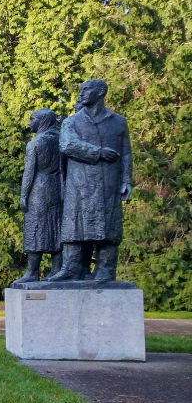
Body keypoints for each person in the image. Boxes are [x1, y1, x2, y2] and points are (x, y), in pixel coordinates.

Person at [46, 79, 131, 282]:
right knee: (74, 225)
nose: (82, 93)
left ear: (100, 92)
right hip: (79, 184)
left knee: (108, 226)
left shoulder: (118, 122)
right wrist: (98, 152)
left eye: (87, 89)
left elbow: (126, 153)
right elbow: (67, 145)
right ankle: (71, 267)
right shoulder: (71, 122)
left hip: (108, 183)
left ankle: (105, 269)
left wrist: (126, 180)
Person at [13, 109, 63, 284]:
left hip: (38, 190)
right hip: (58, 188)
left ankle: (32, 272)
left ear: (41, 121)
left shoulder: (34, 144)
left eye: (32, 119)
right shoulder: (61, 140)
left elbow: (29, 172)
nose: (29, 123)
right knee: (56, 228)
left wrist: (24, 195)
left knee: (35, 228)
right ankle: (56, 270)